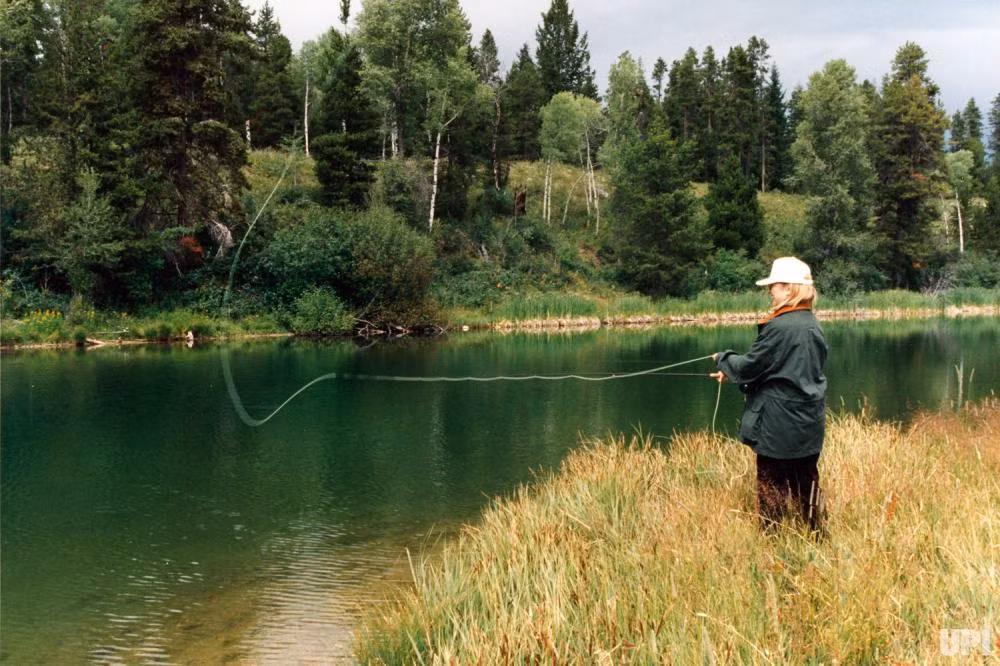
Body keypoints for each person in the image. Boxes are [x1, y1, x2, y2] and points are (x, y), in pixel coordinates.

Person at [710, 257, 828, 532]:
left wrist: (723, 359)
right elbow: (785, 368)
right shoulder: (812, 323)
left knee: (771, 482)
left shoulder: (780, 326)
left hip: (779, 423)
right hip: (809, 421)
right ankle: (817, 533)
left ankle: (772, 538)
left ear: (788, 288)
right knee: (807, 480)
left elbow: (751, 366)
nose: (770, 291)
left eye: (773, 285)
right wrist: (733, 374)